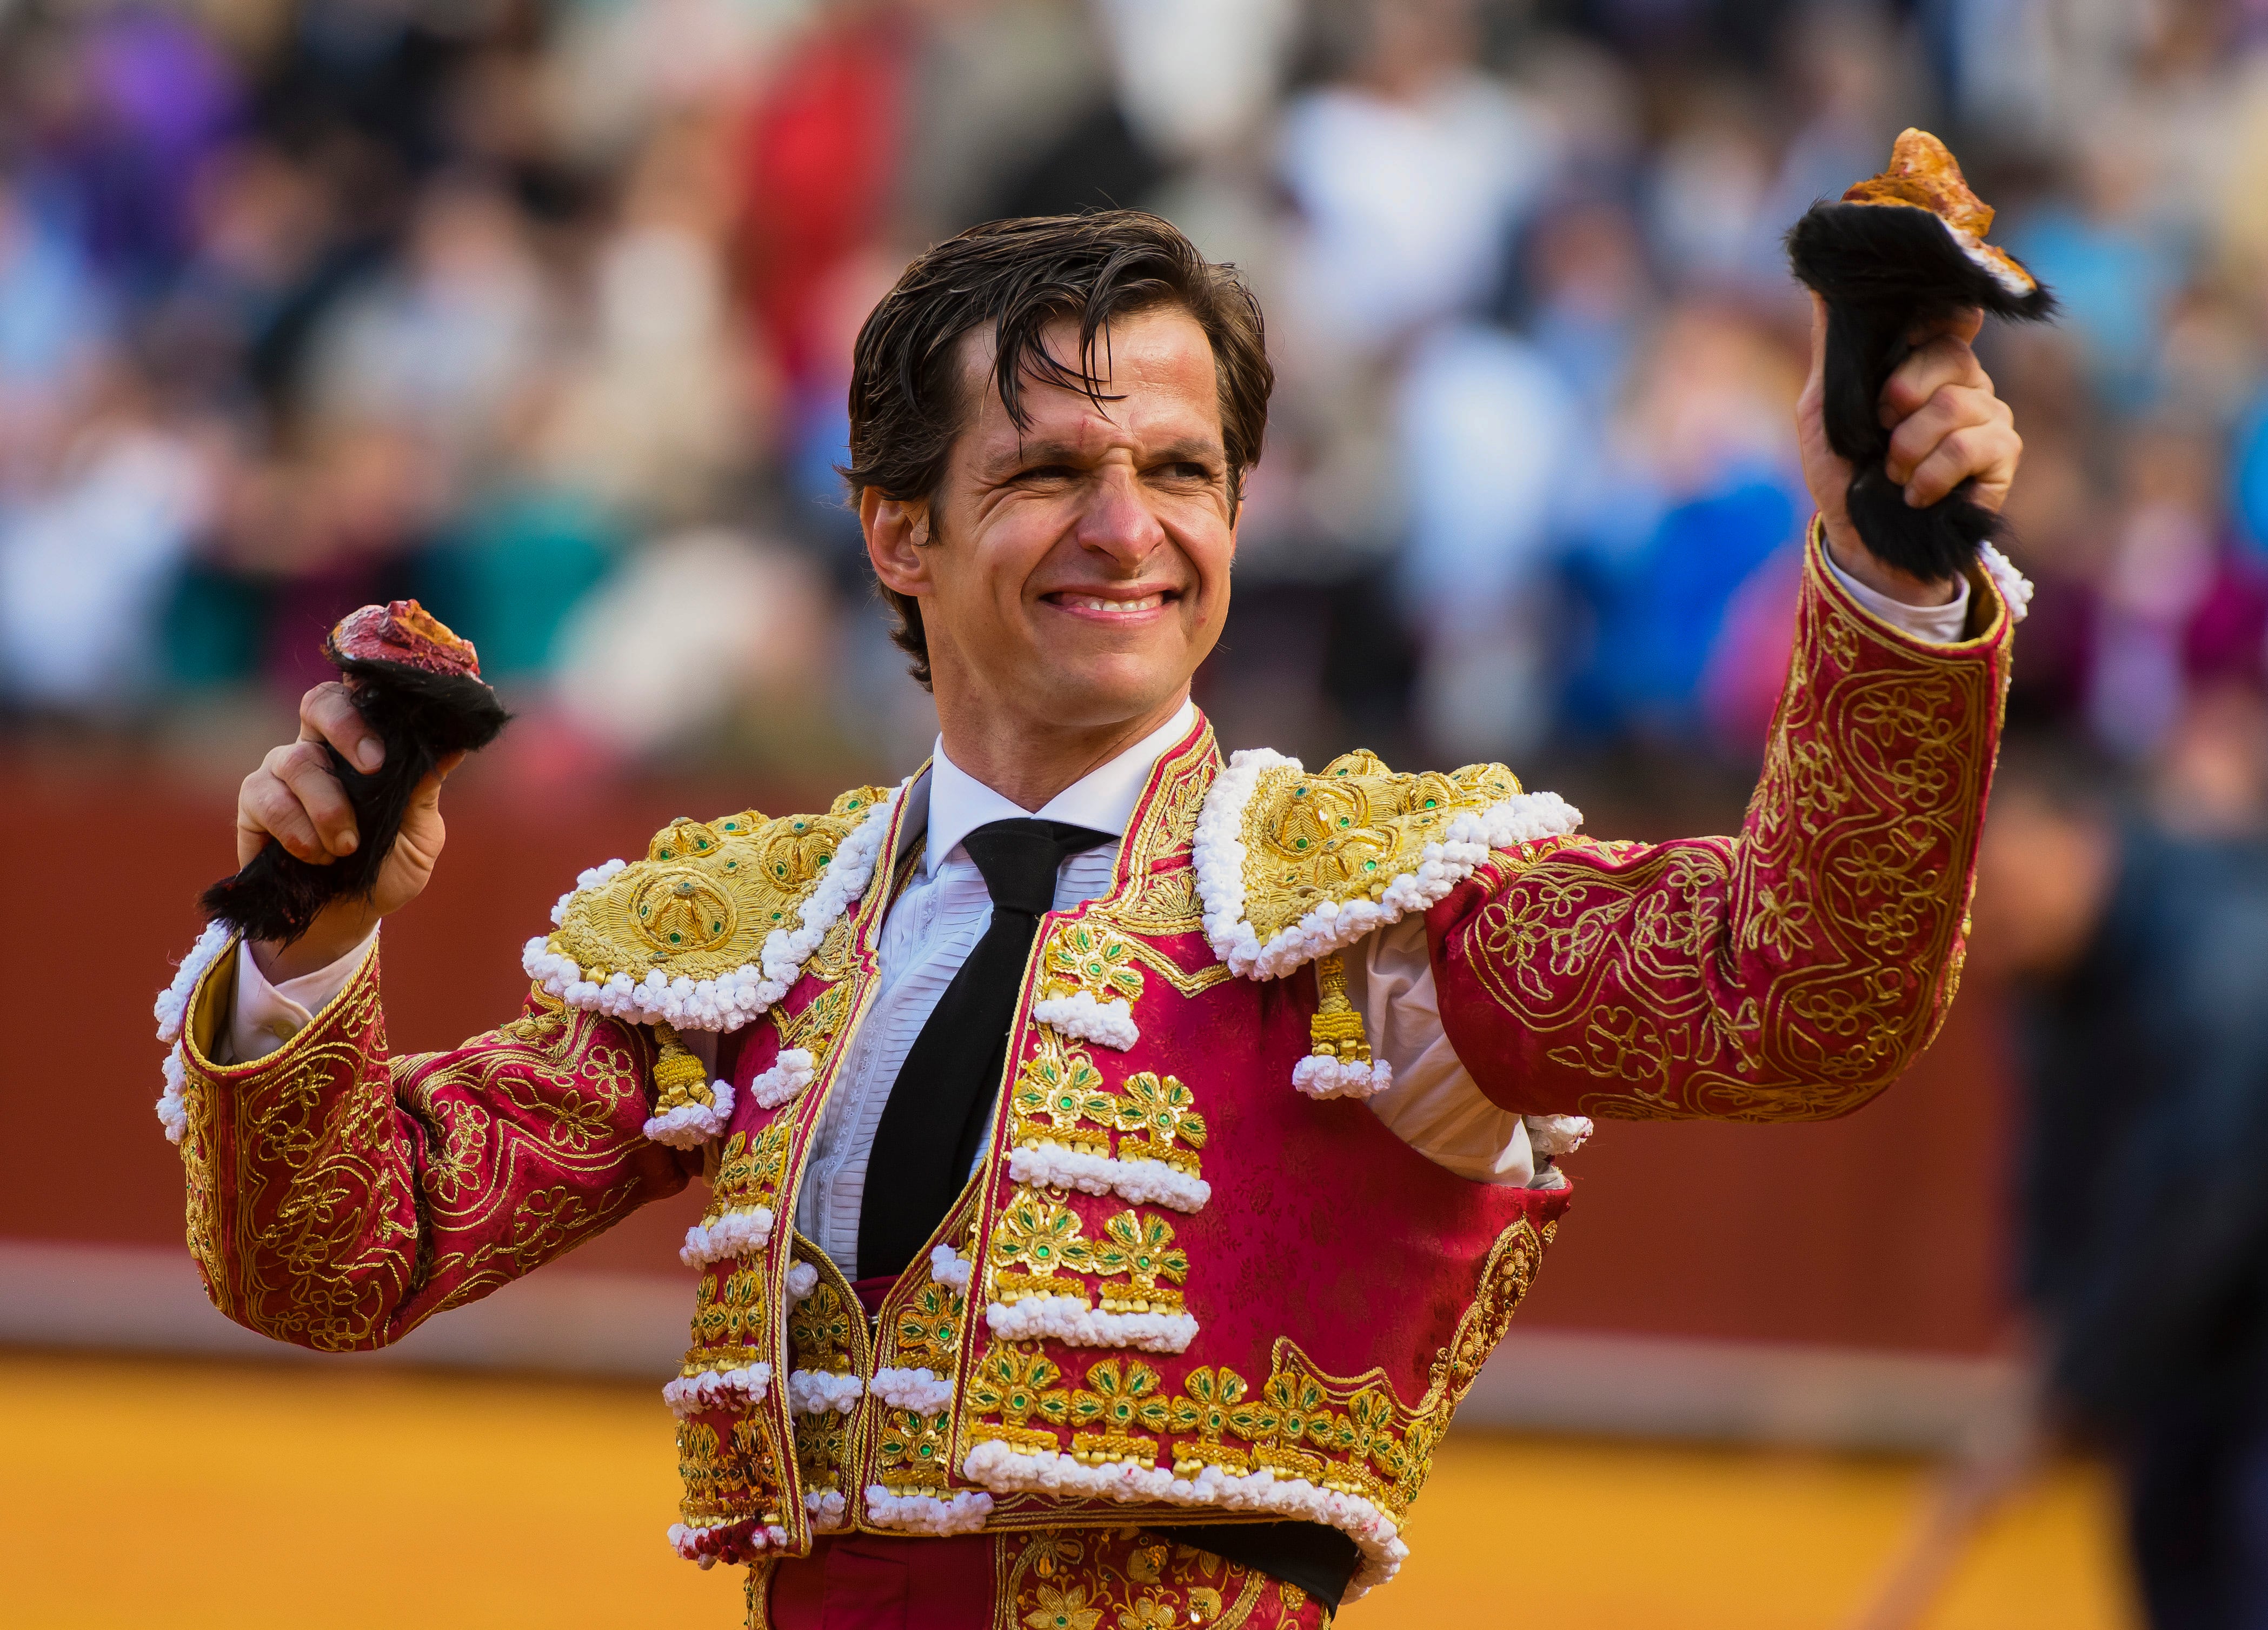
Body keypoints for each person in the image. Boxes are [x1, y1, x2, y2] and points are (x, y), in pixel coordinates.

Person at [152, 211, 2023, 1629]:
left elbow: (1793, 989)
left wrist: (1883, 569)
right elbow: (335, 1254)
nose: (1126, 528)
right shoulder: (759, 937)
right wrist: (310, 937)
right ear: (898, 530)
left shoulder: (1366, 914)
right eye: (1049, 470)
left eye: (1181, 471)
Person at [1972, 739, 2268, 1630]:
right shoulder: (2059, 968)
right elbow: (2060, 1154)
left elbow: (2191, 1200)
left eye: (2000, 883)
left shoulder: (2229, 971)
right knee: (2176, 1565)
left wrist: (2076, 1385)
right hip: (2202, 1321)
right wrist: (2045, 1313)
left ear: (2077, 842)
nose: (1982, 921)